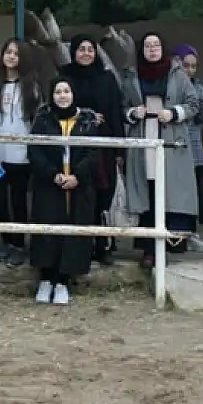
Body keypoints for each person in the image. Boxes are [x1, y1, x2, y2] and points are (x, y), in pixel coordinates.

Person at [120, 33, 200, 269]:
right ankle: (147, 250)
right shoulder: (131, 76)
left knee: (169, 192)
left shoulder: (178, 74)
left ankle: (167, 247)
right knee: (147, 191)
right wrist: (134, 113)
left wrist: (174, 112)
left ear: (162, 48)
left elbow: (194, 104)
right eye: (147, 45)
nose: (152, 49)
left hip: (170, 140)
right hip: (143, 139)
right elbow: (122, 107)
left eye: (156, 45)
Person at [28, 76, 99, 305]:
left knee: (73, 231)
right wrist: (53, 174)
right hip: (50, 184)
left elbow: (94, 153)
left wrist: (77, 176)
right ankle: (46, 279)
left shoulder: (87, 120)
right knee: (48, 230)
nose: (62, 96)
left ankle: (63, 281)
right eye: (58, 91)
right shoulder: (43, 118)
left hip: (78, 186)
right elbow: (35, 152)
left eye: (66, 91)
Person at [60, 34, 125, 265]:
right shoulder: (65, 76)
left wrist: (120, 149)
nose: (86, 53)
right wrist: (83, 116)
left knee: (102, 195)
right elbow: (58, 105)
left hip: (102, 145)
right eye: (81, 49)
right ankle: (79, 247)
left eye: (90, 49)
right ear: (73, 52)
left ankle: (102, 245)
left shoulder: (107, 78)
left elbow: (115, 112)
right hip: (74, 145)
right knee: (78, 196)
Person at [0, 38, 41, 267]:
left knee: (19, 202)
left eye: (16, 54)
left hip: (22, 159)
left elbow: (36, 124)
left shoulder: (32, 89)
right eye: (8, 52)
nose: (11, 57)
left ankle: (19, 245)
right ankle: (6, 242)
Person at [173, 43, 203, 253]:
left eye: (193, 66)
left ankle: (193, 234)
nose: (189, 70)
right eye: (185, 65)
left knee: (194, 194)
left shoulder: (198, 87)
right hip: (175, 147)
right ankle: (175, 236)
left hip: (194, 148)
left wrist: (197, 102)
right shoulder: (171, 86)